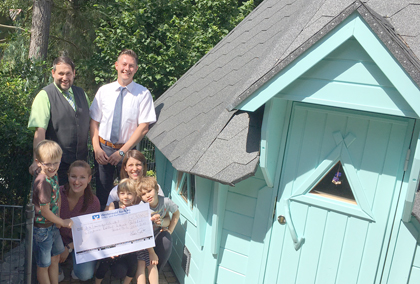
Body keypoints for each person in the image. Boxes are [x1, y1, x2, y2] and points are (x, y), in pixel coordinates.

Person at [90, 49, 156, 210]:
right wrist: (96, 148)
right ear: (116, 65)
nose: (127, 68)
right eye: (124, 64)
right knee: (103, 193)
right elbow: (94, 122)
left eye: (131, 66)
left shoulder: (143, 94)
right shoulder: (104, 91)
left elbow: (144, 127)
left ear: (136, 69)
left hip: (126, 152)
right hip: (103, 151)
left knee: (130, 193)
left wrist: (122, 153)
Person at [105, 150, 173, 272]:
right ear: (125, 168)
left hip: (149, 236)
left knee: (166, 240)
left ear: (144, 166)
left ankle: (154, 270)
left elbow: (167, 218)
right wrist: (116, 212)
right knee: (119, 272)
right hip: (126, 239)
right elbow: (106, 218)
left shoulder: (154, 188)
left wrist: (160, 222)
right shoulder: (117, 190)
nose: (135, 168)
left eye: (138, 164)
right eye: (130, 165)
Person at [28, 56, 90, 186]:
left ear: (74, 73)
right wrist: (37, 161)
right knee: (56, 204)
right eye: (61, 73)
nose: (65, 78)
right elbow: (40, 131)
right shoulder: (44, 95)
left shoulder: (82, 94)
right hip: (55, 166)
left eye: (68, 73)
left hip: (81, 164)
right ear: (53, 73)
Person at [32, 140, 73, 284]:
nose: (52, 167)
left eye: (55, 163)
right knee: (43, 265)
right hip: (42, 229)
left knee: (55, 258)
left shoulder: (53, 175)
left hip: (53, 225)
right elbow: (44, 211)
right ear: (39, 162)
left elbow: (58, 198)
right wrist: (62, 222)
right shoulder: (43, 182)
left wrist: (58, 219)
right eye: (47, 163)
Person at [58, 160, 100, 281]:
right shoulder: (58, 194)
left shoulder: (93, 202)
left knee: (84, 274)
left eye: (82, 177)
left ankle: (75, 265)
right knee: (54, 275)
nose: (77, 182)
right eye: (73, 176)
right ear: (68, 176)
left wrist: (69, 248)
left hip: (82, 243)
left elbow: (90, 234)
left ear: (89, 179)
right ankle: (58, 268)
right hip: (57, 240)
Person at [136, 177, 180, 284]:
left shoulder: (165, 202)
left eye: (149, 191)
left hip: (155, 235)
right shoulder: (141, 207)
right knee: (141, 264)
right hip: (142, 238)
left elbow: (176, 213)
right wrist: (151, 252)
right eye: (143, 194)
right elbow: (142, 232)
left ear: (156, 189)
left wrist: (169, 230)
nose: (147, 195)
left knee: (153, 264)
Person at [95, 179, 139, 284]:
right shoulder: (113, 205)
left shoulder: (136, 208)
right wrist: (119, 212)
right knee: (104, 264)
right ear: (118, 194)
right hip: (113, 243)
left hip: (128, 244)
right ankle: (97, 282)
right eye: (122, 193)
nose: (126, 196)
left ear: (134, 195)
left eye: (129, 193)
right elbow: (110, 221)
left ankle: (126, 282)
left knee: (133, 263)